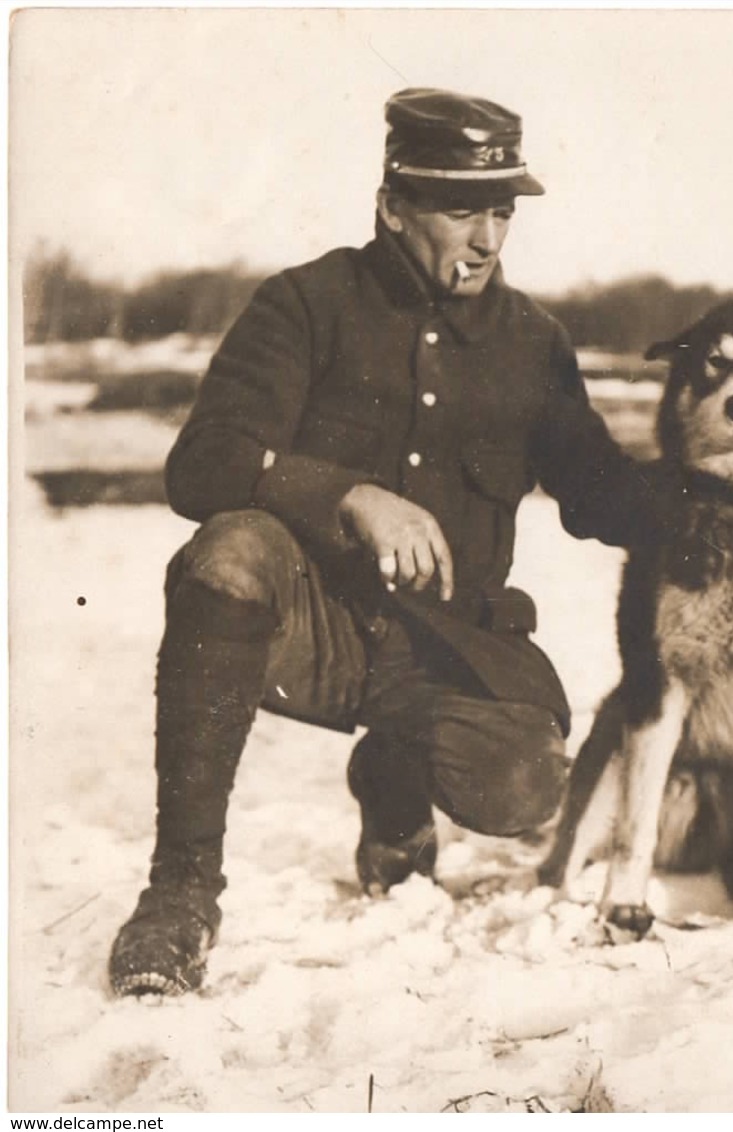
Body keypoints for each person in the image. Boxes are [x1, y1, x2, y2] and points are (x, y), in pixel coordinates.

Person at [108, 88, 671, 996]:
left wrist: (725, 496)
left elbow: (598, 490)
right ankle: (178, 893)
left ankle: (395, 784)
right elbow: (201, 465)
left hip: (449, 646)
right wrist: (346, 495)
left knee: (522, 787)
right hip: (317, 630)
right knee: (230, 552)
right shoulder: (303, 305)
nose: (487, 238)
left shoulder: (535, 340)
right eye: (460, 210)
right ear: (392, 205)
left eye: (501, 210)